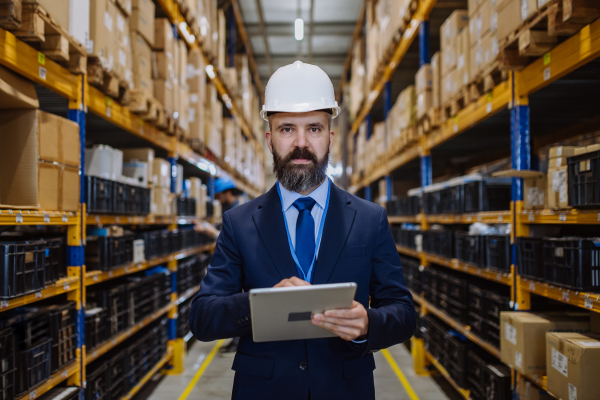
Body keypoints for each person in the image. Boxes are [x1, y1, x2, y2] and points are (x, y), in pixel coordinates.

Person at [189, 60, 415, 400]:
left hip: (344, 389)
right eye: (286, 129)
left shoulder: (370, 219)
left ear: (329, 136)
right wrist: (259, 306)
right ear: (269, 139)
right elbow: (202, 317)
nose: (301, 143)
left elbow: (402, 311)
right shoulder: (240, 223)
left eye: (314, 128)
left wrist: (367, 323)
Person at [195, 175, 242, 356]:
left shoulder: (237, 209)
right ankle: (235, 340)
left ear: (227, 193)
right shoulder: (230, 208)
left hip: (237, 263)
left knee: (237, 298)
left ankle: (237, 341)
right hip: (232, 262)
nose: (217, 200)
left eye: (219, 195)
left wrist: (211, 231)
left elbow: (232, 239)